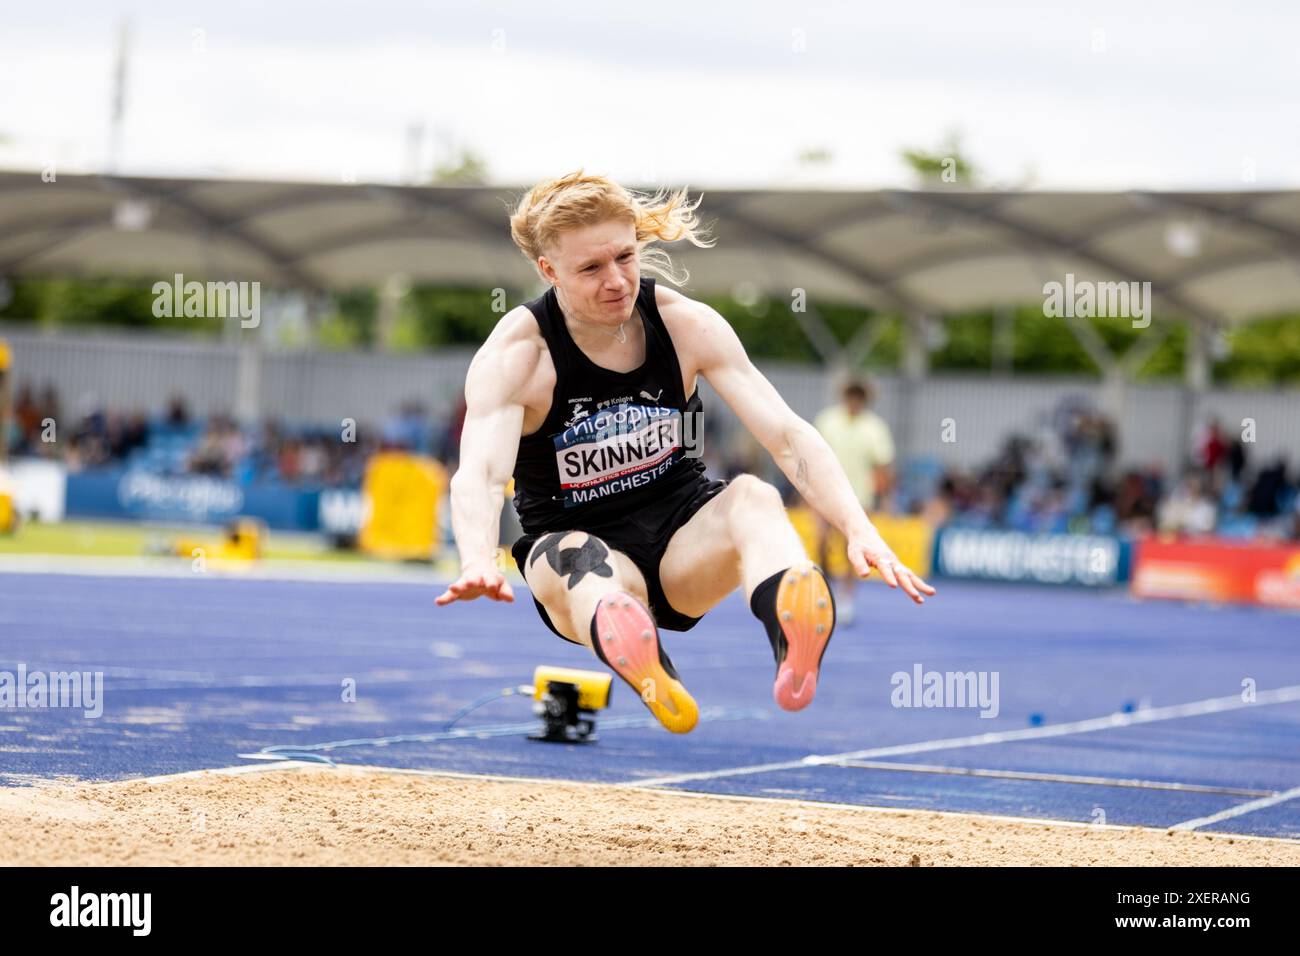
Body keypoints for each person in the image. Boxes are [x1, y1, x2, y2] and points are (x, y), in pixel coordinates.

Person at [435, 170, 934, 734]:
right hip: (579, 543)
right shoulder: (519, 355)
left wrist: (857, 527)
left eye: (626, 257)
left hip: (683, 543)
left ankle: (792, 611)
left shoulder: (685, 325)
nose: (617, 281)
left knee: (753, 496)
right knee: (579, 563)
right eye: (591, 269)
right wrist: (477, 557)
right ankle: (641, 654)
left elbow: (788, 437)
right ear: (548, 270)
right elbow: (479, 473)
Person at [811, 380, 896, 625]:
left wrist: (886, 498)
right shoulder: (827, 420)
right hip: (825, 494)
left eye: (859, 397)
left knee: (854, 552)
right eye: (851, 396)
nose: (854, 402)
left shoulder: (874, 428)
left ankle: (845, 599)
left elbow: (882, 466)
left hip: (859, 497)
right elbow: (812, 455)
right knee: (821, 544)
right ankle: (824, 592)